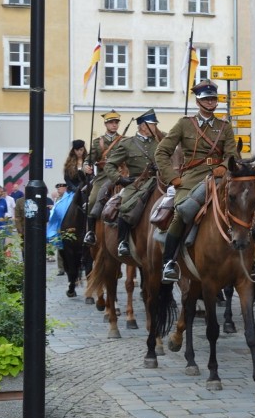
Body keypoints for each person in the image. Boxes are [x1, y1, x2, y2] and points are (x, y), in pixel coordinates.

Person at [155, 80, 238, 283]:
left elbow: (232, 154)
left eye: (213, 99)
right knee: (182, 212)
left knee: (245, 207)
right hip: (192, 178)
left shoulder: (224, 127)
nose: (210, 102)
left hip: (220, 178)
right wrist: (173, 177)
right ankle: (169, 262)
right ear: (198, 101)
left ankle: (251, 259)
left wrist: (225, 167)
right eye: (206, 99)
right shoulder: (184, 124)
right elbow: (161, 152)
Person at [105, 110, 161, 257]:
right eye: (153, 124)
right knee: (126, 205)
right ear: (143, 126)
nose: (155, 127)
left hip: (160, 180)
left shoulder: (160, 142)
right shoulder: (128, 144)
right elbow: (109, 165)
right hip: (138, 182)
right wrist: (120, 179)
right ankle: (122, 241)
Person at [84, 110, 124, 246]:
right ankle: (91, 232)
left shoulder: (124, 140)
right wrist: (86, 166)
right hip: (103, 176)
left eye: (116, 122)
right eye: (111, 122)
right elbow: (89, 159)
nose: (114, 125)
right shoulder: (97, 142)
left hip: (121, 174)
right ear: (106, 124)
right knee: (92, 199)